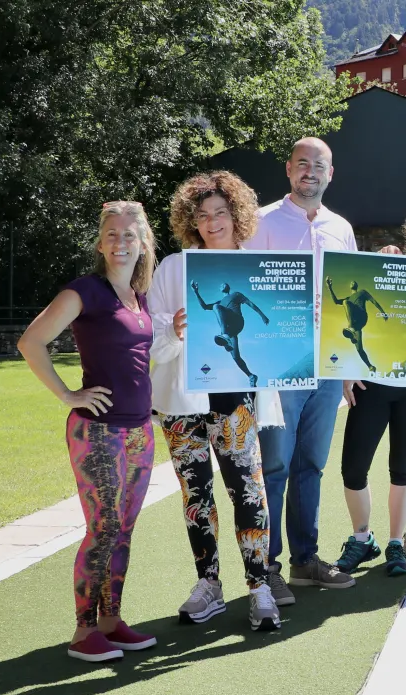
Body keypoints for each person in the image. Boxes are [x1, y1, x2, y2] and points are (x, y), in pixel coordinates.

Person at [18, 200, 159, 662]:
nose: (121, 243)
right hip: (97, 431)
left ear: (143, 243)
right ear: (101, 244)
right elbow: (31, 341)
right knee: (103, 528)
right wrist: (67, 395)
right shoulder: (85, 292)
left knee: (126, 529)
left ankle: (111, 622)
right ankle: (83, 633)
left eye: (129, 235)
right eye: (112, 235)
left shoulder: (140, 300)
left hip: (140, 431)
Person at [148, 171, 282, 631]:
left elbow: (277, 333)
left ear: (237, 214)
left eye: (220, 213)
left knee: (247, 488)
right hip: (180, 402)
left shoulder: (259, 267)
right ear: (191, 220)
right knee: (196, 496)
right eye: (202, 215)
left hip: (236, 399)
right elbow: (151, 338)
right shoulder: (172, 268)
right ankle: (209, 584)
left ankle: (260, 587)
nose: (212, 222)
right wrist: (172, 330)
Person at [247, 137, 357, 603]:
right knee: (274, 465)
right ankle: (266, 568)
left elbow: (351, 293)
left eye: (320, 165)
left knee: (310, 464)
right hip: (279, 362)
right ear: (290, 170)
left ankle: (305, 560)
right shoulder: (262, 222)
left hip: (330, 364)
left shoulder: (342, 227)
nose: (311, 172)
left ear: (331, 173)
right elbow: (246, 284)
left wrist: (349, 369)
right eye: (303, 164)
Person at [334, 204, 406, 577]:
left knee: (402, 468)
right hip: (373, 380)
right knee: (353, 466)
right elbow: (344, 319)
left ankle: (396, 543)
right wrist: (347, 370)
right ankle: (362, 538)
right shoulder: (380, 266)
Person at [191, 279, 270, 388]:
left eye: (225, 283)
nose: (223, 284)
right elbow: (204, 307)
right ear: (220, 289)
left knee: (216, 307)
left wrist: (262, 315)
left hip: (237, 321)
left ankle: (225, 336)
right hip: (230, 331)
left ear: (228, 287)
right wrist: (196, 292)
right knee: (236, 357)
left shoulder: (235, 295)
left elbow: (250, 304)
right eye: (221, 284)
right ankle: (251, 376)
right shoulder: (219, 302)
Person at [326, 276, 388, 372]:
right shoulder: (349, 298)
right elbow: (336, 301)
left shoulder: (362, 292)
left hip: (362, 316)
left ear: (356, 285)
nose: (352, 282)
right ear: (350, 286)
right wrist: (329, 287)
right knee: (359, 349)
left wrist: (383, 312)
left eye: (354, 282)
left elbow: (373, 301)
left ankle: (350, 328)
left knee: (345, 302)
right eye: (351, 282)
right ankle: (370, 366)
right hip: (356, 325)